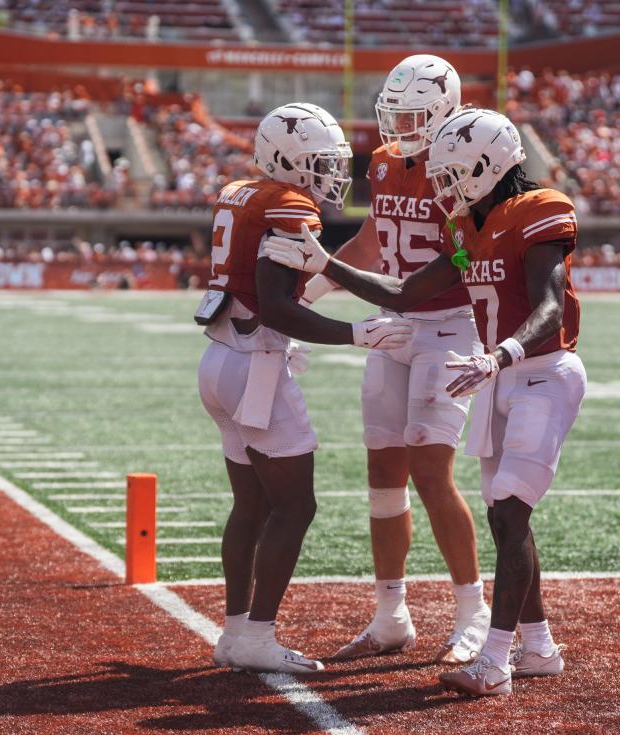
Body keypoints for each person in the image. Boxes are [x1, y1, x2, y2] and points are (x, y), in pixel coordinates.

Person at [265, 108, 586, 696]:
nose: (441, 188)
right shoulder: (467, 232)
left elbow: (548, 305)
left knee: (503, 507)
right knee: (501, 511)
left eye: (452, 174)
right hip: (491, 370)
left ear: (486, 165)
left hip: (525, 366)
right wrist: (324, 269)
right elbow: (408, 289)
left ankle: (491, 650)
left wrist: (502, 353)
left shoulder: (539, 211)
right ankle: (537, 644)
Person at [195, 103, 412, 674]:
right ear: (288, 159)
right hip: (256, 365)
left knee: (251, 504)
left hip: (219, 359)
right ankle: (259, 636)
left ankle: (236, 633)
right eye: (320, 162)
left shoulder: (241, 192)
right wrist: (357, 333)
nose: (331, 173)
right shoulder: (288, 205)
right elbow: (278, 309)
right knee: (296, 505)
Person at [296, 54, 490, 664]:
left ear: (443, 111)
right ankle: (390, 615)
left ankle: (472, 612)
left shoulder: (461, 161)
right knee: (383, 475)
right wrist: (314, 287)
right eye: (395, 112)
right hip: (397, 320)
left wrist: (401, 298)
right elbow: (375, 238)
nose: (399, 125)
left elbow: (469, 255)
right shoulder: (382, 161)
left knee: (432, 471)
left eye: (413, 113)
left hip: (449, 324)